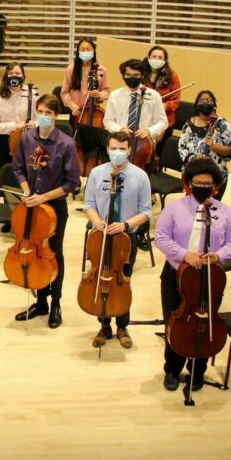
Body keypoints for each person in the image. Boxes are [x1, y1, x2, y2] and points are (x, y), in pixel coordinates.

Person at [153, 158, 231, 391]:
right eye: (198, 182)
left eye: (208, 183)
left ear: (215, 187)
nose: (203, 186)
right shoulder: (174, 207)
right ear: (189, 184)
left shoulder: (224, 212)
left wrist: (219, 255)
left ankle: (198, 370)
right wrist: (184, 254)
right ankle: (172, 369)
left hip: (210, 278)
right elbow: (161, 238)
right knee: (175, 321)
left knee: (205, 322)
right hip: (176, 274)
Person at [12, 93, 82, 329]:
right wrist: (26, 190)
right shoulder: (27, 137)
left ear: (56, 116)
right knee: (35, 252)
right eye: (40, 112)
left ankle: (56, 304)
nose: (43, 117)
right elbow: (19, 168)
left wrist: (43, 197)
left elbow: (72, 182)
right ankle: (40, 302)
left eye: (48, 113)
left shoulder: (66, 143)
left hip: (53, 207)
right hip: (31, 204)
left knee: (54, 253)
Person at [82, 130, 152, 349]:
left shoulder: (140, 176)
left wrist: (125, 225)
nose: (117, 153)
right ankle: (104, 325)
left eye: (122, 149)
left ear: (129, 150)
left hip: (125, 237)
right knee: (101, 277)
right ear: (107, 149)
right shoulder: (96, 173)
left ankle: (123, 325)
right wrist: (98, 223)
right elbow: (89, 204)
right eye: (113, 149)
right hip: (101, 235)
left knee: (123, 280)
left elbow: (146, 212)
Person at [60, 38, 110, 170]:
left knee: (95, 144)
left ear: (94, 51)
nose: (86, 52)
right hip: (77, 113)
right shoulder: (71, 69)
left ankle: (93, 171)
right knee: (76, 143)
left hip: (95, 113)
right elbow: (64, 92)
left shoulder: (101, 70)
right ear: (78, 51)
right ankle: (75, 171)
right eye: (83, 49)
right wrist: (72, 105)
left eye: (89, 49)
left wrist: (99, 95)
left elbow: (106, 90)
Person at [177, 89, 231, 197]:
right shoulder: (189, 124)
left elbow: (230, 150)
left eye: (208, 100)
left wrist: (214, 146)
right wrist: (193, 157)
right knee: (191, 208)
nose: (205, 102)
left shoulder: (223, 125)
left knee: (211, 209)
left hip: (215, 175)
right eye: (202, 100)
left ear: (214, 104)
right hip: (192, 174)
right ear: (196, 105)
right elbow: (181, 146)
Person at [103, 59, 167, 146]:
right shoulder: (115, 95)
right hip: (119, 141)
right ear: (123, 76)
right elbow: (108, 121)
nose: (132, 78)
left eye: (136, 75)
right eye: (128, 75)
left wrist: (148, 131)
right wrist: (120, 129)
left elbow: (163, 122)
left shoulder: (154, 96)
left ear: (142, 76)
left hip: (145, 142)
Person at [0, 61, 35, 172]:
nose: (14, 76)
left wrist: (35, 124)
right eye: (11, 73)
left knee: (25, 175)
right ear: (6, 76)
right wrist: (15, 126)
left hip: (25, 140)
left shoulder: (31, 93)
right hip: (2, 141)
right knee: (5, 173)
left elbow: (40, 117)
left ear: (23, 76)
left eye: (17, 73)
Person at [142, 44, 182, 130]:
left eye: (160, 58)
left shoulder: (172, 76)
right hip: (144, 119)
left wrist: (163, 105)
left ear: (165, 60)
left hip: (163, 120)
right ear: (148, 58)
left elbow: (176, 101)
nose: (156, 59)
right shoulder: (142, 74)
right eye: (154, 56)